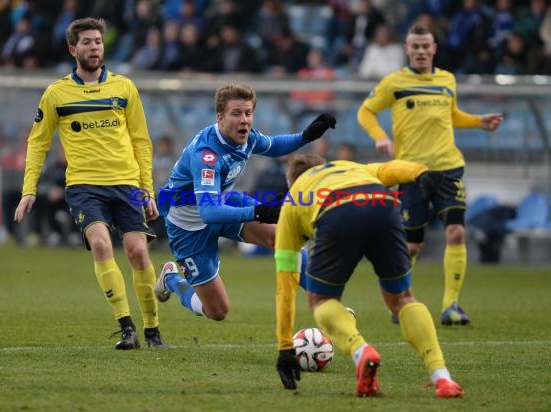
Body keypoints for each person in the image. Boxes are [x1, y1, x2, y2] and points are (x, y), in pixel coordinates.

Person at [14, 17, 168, 350]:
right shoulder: (57, 93)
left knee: (138, 251)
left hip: (126, 184)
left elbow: (141, 141)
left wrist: (147, 189)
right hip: (84, 186)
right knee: (101, 245)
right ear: (73, 49)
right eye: (87, 42)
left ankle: (153, 330)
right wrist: (29, 190)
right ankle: (127, 328)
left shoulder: (124, 88)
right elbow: (38, 142)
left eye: (98, 40)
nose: (94, 46)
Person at [273, 153, 465, 398]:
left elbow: (286, 283)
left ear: (292, 183)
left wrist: (285, 346)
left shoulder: (293, 200)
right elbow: (388, 170)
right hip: (382, 203)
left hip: (336, 210)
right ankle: (443, 379)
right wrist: (420, 172)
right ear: (324, 167)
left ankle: (360, 350)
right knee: (403, 299)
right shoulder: (348, 167)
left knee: (320, 300)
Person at [357, 23, 504, 325]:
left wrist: (478, 121)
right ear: (407, 50)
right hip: (411, 172)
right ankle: (400, 300)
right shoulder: (394, 82)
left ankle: (451, 305)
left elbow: (451, 116)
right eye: (416, 46)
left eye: (426, 46)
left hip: (448, 166)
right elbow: (365, 111)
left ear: (434, 49)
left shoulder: (447, 79)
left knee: (457, 231)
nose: (421, 51)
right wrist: (380, 136)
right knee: (412, 245)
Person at [154, 83, 336, 322]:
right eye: (236, 113)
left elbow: (274, 145)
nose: (244, 120)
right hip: (188, 226)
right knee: (217, 311)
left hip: (224, 203)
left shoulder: (247, 138)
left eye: (248, 113)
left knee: (279, 236)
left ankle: (325, 303)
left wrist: (307, 136)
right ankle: (172, 280)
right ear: (220, 117)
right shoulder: (206, 155)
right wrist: (259, 211)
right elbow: (208, 212)